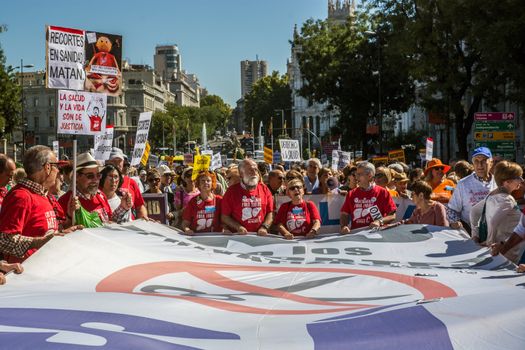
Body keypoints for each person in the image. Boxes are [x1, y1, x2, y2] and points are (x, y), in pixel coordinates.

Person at [0, 146, 82, 263]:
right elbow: (4, 241)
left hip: (46, 268)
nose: (59, 171)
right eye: (57, 167)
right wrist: (40, 242)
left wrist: (69, 220)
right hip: (27, 275)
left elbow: (49, 234)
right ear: (47, 167)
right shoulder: (21, 196)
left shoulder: (45, 195)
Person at [470, 161, 525, 263]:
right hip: (508, 250)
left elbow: (473, 211)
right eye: (518, 177)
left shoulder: (491, 195)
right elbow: (493, 221)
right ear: (507, 181)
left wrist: (475, 235)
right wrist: (489, 242)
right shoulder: (508, 200)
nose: (521, 180)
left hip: (500, 248)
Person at [59, 152, 131, 225]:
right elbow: (61, 232)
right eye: (90, 176)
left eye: (98, 175)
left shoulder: (101, 196)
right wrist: (69, 217)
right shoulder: (65, 201)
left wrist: (122, 207)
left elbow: (110, 221)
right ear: (77, 177)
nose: (96, 180)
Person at [447, 147, 496, 232]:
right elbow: (452, 209)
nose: (480, 165)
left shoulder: (498, 182)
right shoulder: (463, 184)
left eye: (484, 160)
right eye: (476, 161)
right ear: (472, 164)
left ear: (491, 163)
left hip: (493, 231)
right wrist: (455, 222)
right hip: (469, 230)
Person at [340, 161, 397, 233]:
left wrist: (379, 222)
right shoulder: (351, 193)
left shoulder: (383, 192)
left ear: (369, 175)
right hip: (356, 237)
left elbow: (392, 215)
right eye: (356, 174)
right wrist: (344, 226)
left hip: (377, 235)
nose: (356, 177)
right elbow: (344, 214)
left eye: (359, 174)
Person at [221, 158, 274, 235]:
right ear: (241, 174)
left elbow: (270, 213)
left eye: (256, 169)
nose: (254, 172)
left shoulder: (265, 189)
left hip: (260, 237)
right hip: (238, 238)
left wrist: (264, 227)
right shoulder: (231, 192)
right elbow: (224, 216)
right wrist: (238, 227)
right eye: (250, 170)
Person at [106, 147, 149, 220]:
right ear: (107, 162)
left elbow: (140, 206)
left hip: (129, 227)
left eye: (119, 161)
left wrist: (143, 218)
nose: (116, 164)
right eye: (113, 161)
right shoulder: (100, 181)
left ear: (123, 162)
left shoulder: (131, 182)